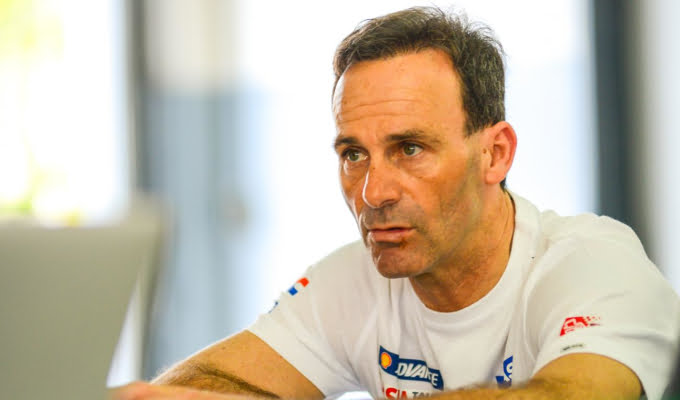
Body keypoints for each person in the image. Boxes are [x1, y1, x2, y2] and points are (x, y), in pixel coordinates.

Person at [112, 6, 680, 400]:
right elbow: (199, 386)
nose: (373, 193)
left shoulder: (594, 264)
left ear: (495, 154)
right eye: (353, 154)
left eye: (410, 149)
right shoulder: (352, 283)